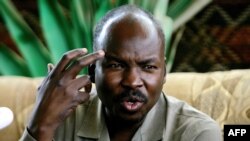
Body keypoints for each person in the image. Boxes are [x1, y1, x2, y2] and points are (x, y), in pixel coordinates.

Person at [20, 4, 222, 141]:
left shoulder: (196, 132)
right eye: (116, 65)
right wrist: (40, 127)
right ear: (92, 70)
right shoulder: (62, 119)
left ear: (164, 73)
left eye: (148, 67)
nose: (133, 81)